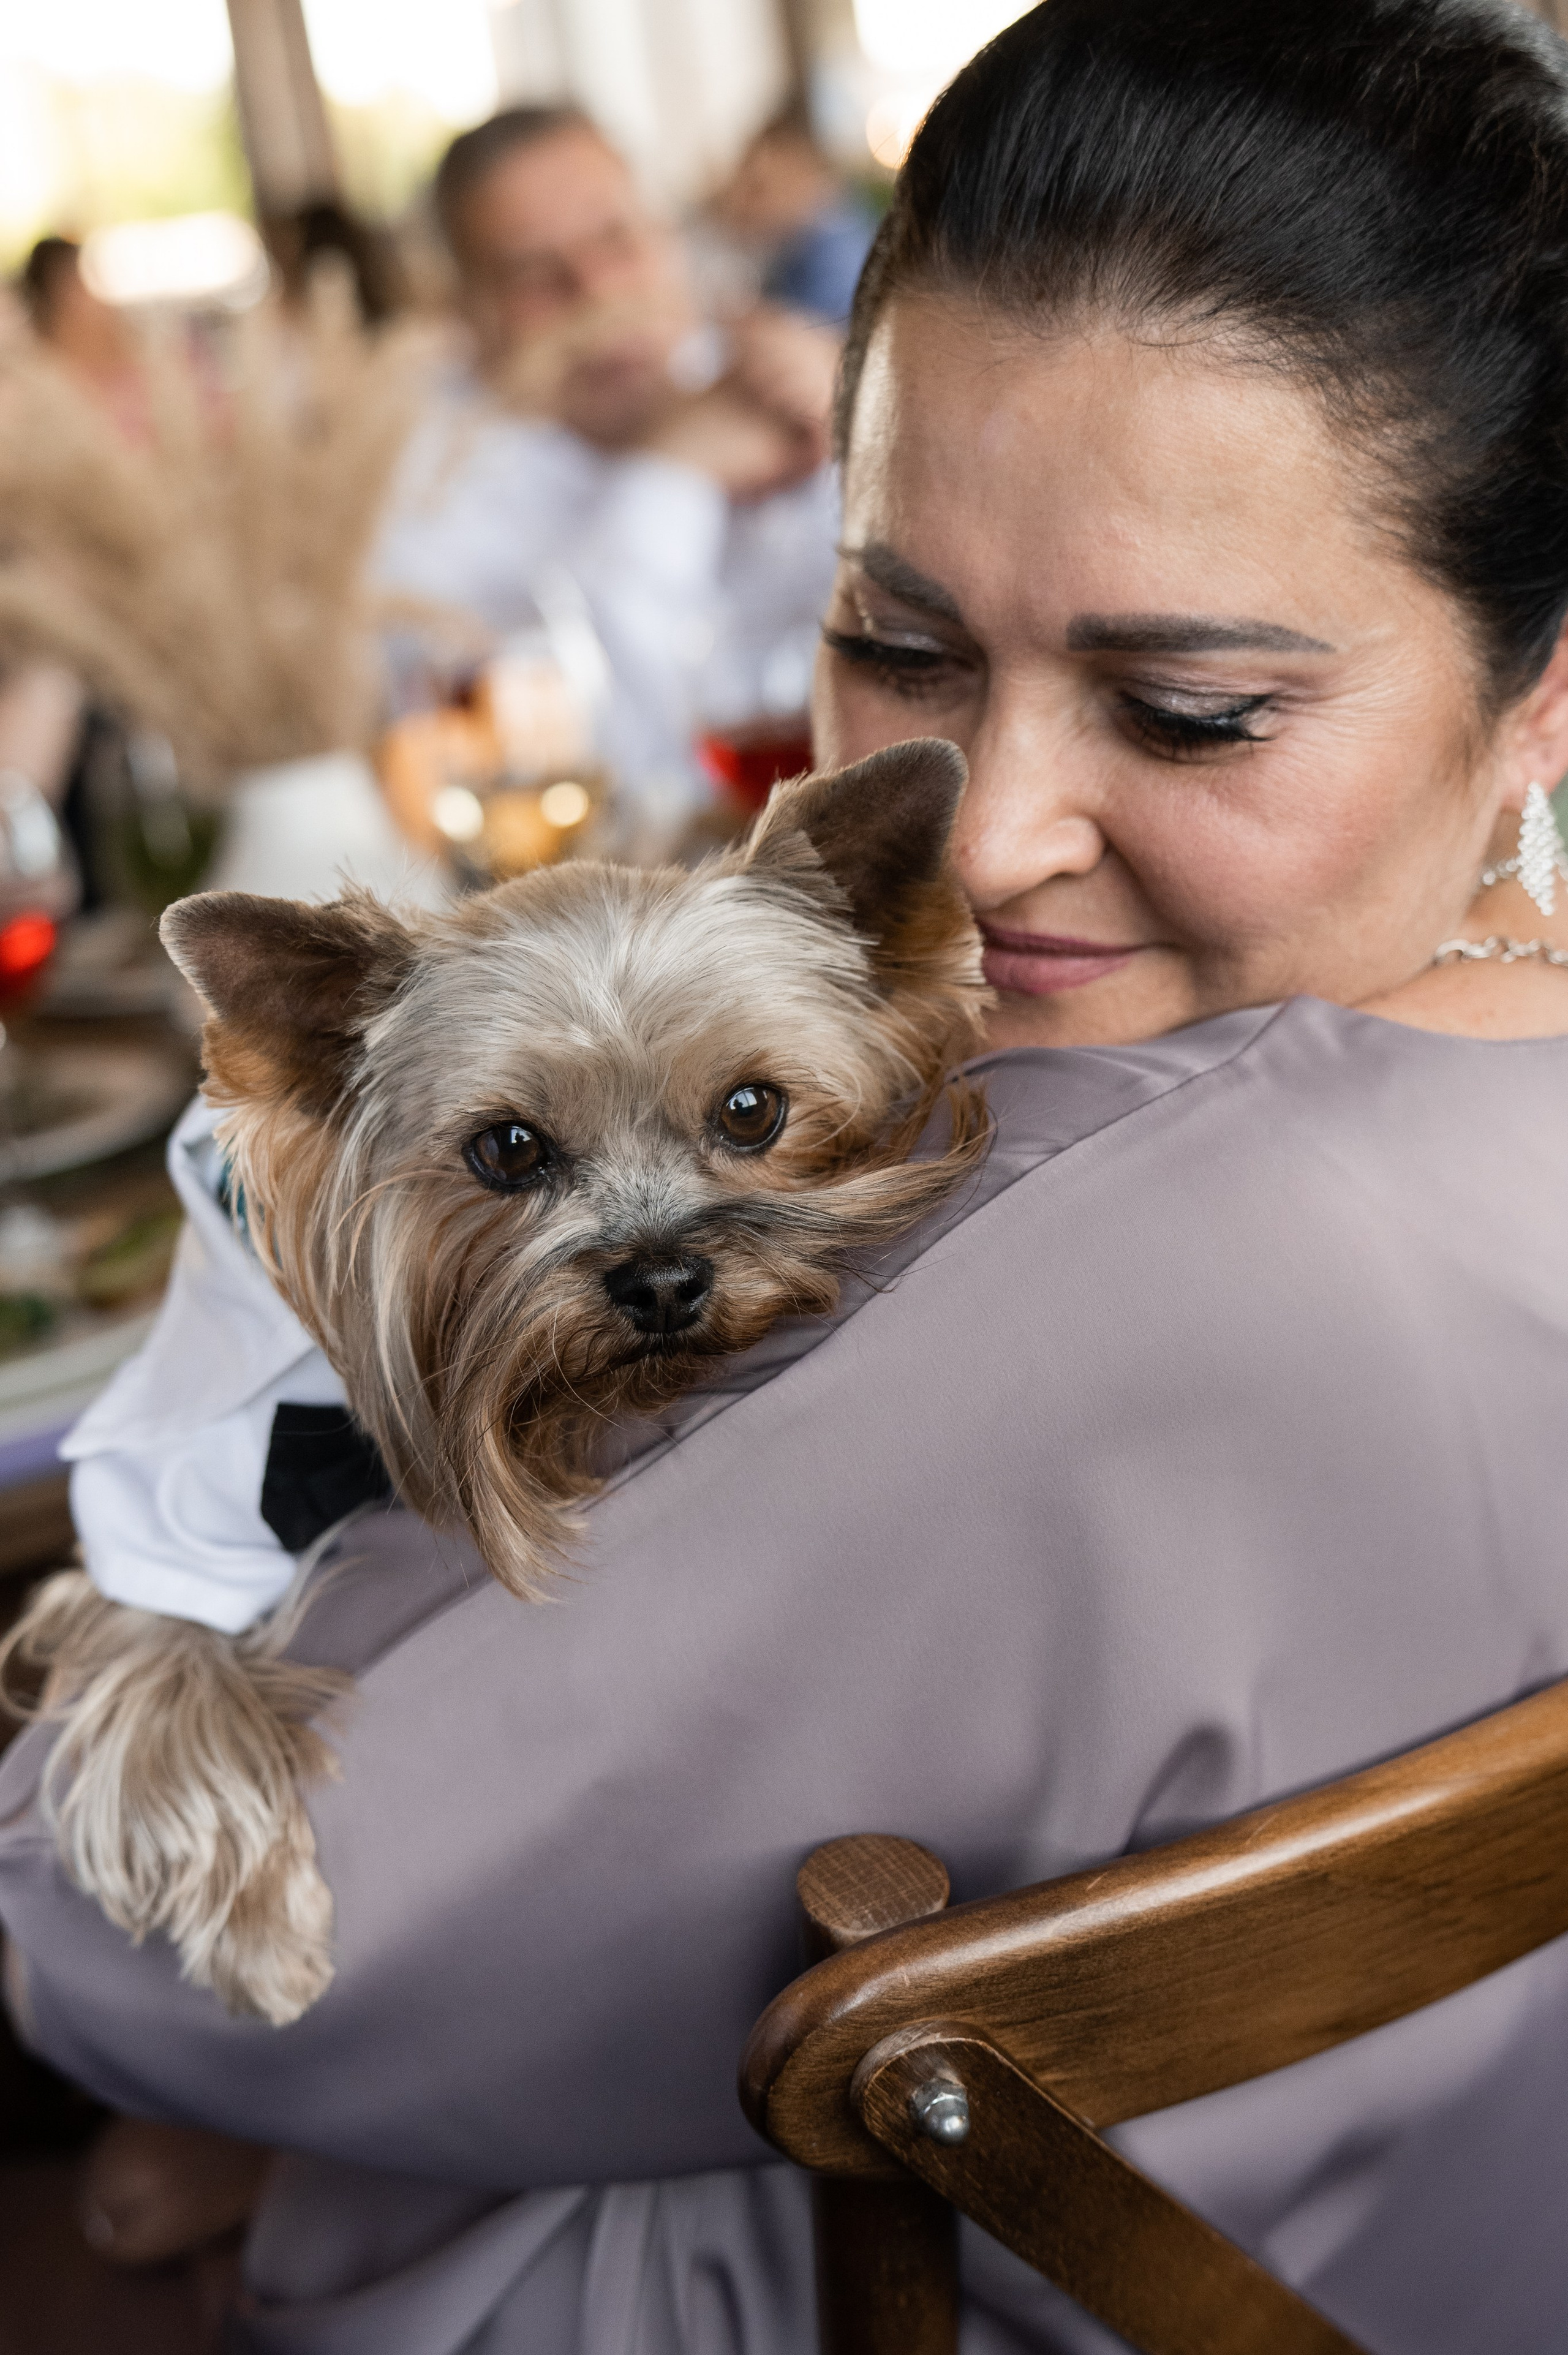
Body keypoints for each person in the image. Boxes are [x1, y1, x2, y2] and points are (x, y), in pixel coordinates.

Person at [6, 2, 1568, 2348]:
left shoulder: (1088, 1268)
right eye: (893, 638)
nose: (993, 824)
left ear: (1539, 686)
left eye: (1187, 710)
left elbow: (152, 1950)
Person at [377, 106, 842, 828]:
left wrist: (870, 426)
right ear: (469, 313)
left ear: (672, 240)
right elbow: (634, 771)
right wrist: (670, 477)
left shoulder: (787, 383)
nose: (596, 290)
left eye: (618, 240)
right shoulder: (425, 505)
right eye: (537, 275)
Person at [706, 103, 878, 327]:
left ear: (801, 174)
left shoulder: (836, 263)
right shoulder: (822, 238)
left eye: (759, 190)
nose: (742, 205)